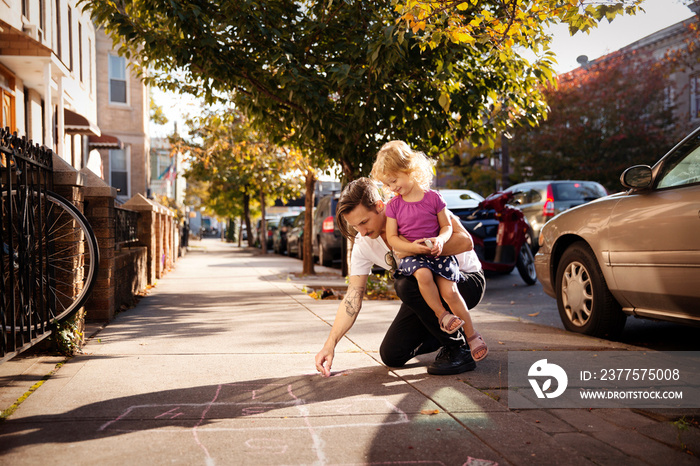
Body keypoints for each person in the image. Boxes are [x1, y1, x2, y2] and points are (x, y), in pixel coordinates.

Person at [314, 177, 486, 377]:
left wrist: (418, 249)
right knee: (392, 354)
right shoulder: (363, 243)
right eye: (355, 227)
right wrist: (330, 344)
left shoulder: (412, 206)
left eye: (364, 222)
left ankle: (458, 349)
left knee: (404, 284)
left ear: (379, 206)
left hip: (464, 281)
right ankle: (459, 332)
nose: (362, 231)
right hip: (424, 288)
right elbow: (353, 296)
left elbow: (466, 242)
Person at [370, 141, 487, 361]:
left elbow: (447, 227)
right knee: (421, 277)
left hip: (441, 258)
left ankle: (471, 336)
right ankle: (442, 317)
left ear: (410, 169)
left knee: (450, 291)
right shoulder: (394, 206)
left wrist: (441, 240)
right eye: (388, 184)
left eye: (394, 180)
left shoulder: (433, 198)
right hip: (418, 260)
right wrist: (412, 247)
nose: (392, 187)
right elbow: (394, 238)